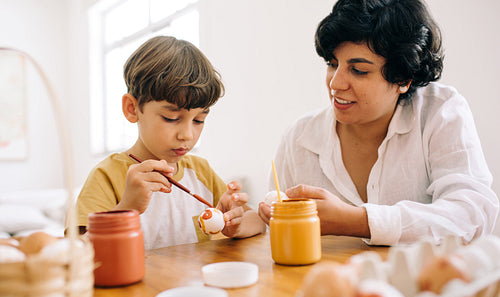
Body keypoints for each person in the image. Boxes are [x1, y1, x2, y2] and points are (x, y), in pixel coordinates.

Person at [259, 0, 499, 245]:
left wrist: (358, 221)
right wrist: (251, 221)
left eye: (359, 70)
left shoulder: (439, 111)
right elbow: (277, 229)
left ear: (403, 78)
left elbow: (472, 214)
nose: (335, 83)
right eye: (332, 64)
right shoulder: (300, 137)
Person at [76, 36, 266, 250]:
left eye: (198, 120)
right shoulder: (107, 177)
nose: (187, 134)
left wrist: (235, 225)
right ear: (132, 109)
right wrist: (127, 208)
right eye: (171, 118)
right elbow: (77, 254)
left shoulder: (200, 172)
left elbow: (258, 222)